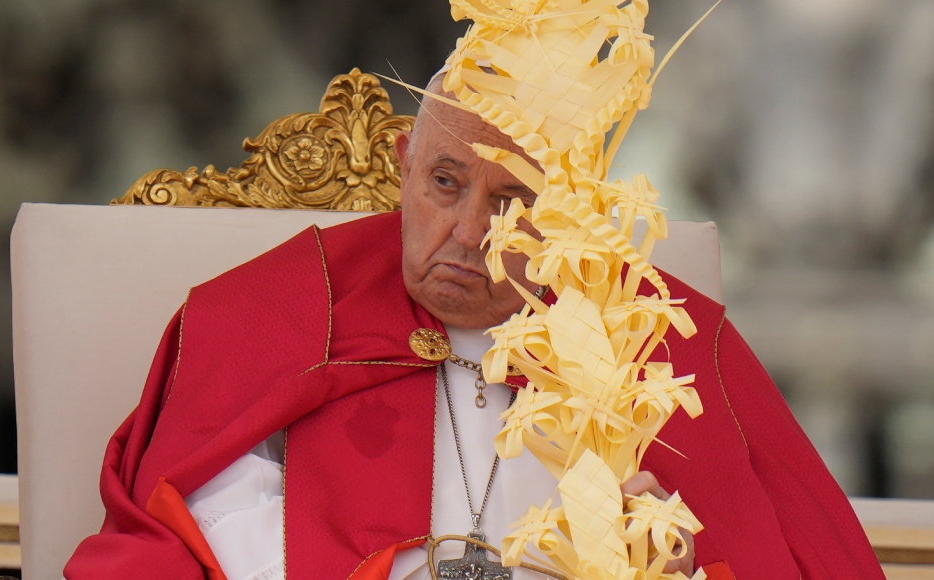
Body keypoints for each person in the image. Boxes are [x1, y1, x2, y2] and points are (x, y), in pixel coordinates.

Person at [65, 3, 884, 579]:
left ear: (569, 211)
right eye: (445, 182)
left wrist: (673, 565)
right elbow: (187, 525)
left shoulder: (659, 341)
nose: (466, 233)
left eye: (511, 201)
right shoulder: (287, 311)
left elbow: (788, 555)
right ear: (404, 166)